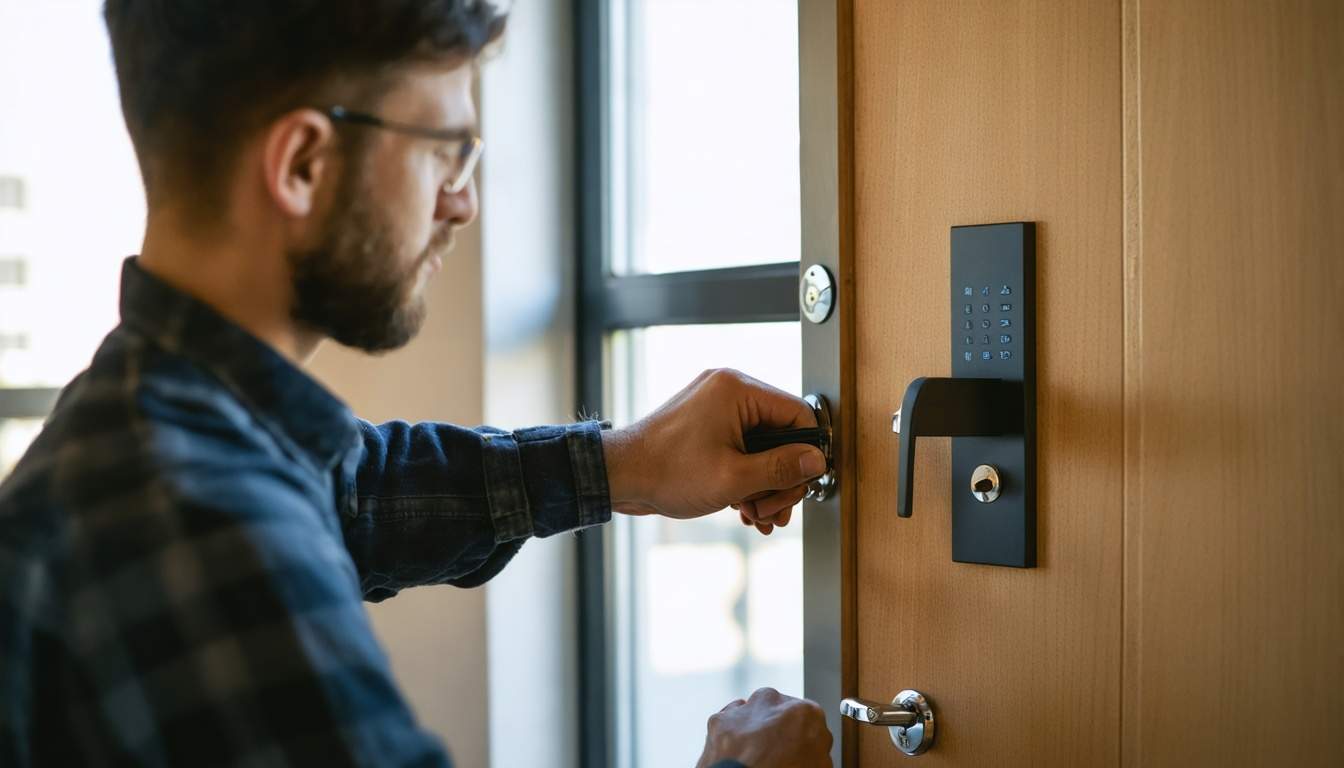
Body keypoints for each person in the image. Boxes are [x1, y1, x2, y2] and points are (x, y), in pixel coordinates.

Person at [0, 2, 834, 766]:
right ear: (302, 165)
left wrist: (630, 464)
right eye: (447, 150)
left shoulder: (158, 425)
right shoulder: (201, 527)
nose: (462, 202)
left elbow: (358, 493)